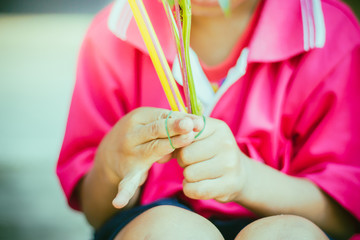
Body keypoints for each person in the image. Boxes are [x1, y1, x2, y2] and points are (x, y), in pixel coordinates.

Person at [56, 0, 360, 239]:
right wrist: (113, 163)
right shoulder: (116, 32)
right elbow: (96, 212)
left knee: (289, 235)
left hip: (295, 220)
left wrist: (247, 179)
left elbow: (345, 214)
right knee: (172, 232)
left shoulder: (330, 36)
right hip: (150, 223)